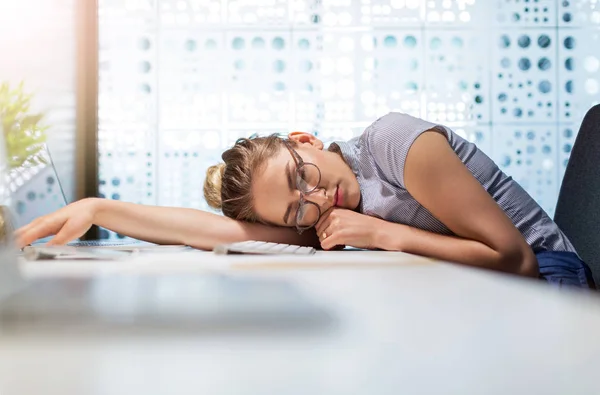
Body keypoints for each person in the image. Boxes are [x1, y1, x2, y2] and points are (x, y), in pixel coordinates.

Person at [15, 112, 595, 289]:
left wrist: (385, 234)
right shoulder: (324, 216)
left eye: (301, 176)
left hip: (553, 279)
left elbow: (515, 258)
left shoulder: (395, 144)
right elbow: (208, 232)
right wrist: (98, 208)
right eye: (295, 212)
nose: (313, 197)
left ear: (303, 141)